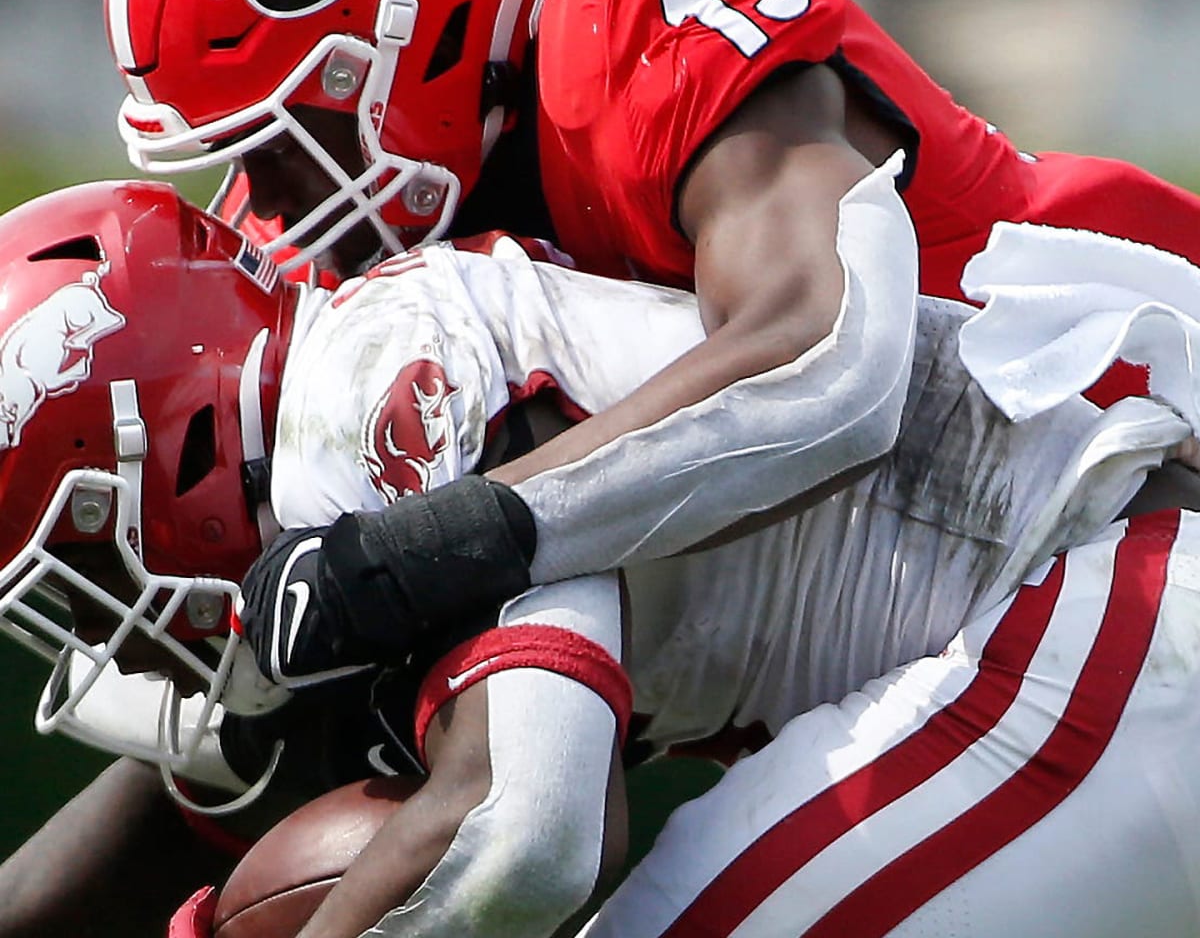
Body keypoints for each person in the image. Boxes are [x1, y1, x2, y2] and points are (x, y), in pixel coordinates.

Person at [101, 0, 1200, 685]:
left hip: (1137, 458)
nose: (270, 206)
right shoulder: (459, 244)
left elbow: (823, 357)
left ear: (409, 30)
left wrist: (436, 544)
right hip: (996, 597)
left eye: (284, 145)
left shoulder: (623, 8)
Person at [5, 180, 1200, 937]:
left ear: (168, 449)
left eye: (82, 577)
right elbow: (164, 822)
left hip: (1096, 605)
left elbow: (521, 836)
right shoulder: (327, 431)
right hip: (1079, 637)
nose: (102, 631)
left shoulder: (364, 415)